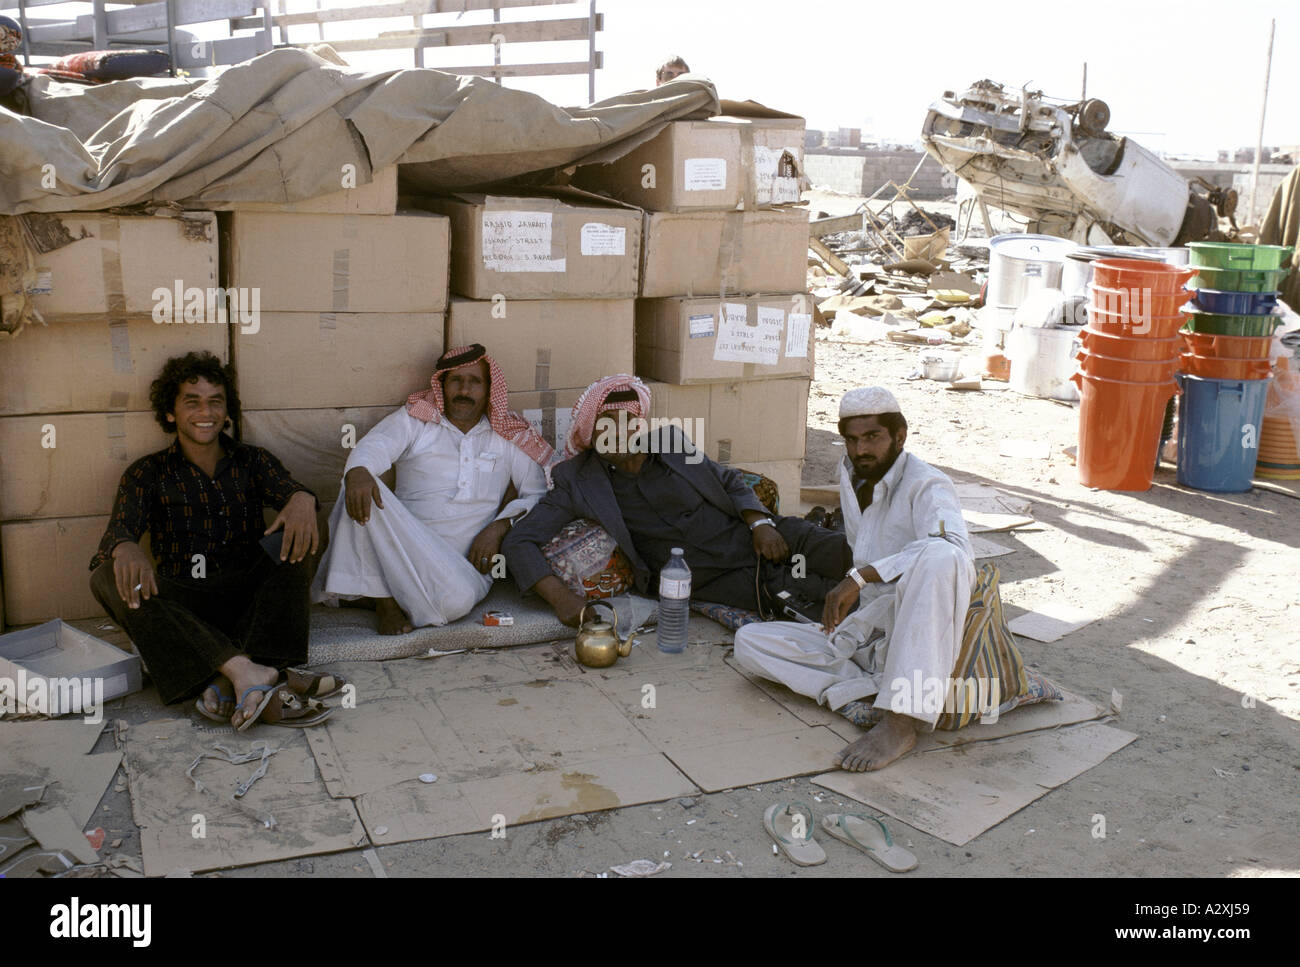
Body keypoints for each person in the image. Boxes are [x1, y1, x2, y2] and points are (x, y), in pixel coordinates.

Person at [733, 387, 976, 773]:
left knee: (941, 554)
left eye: (872, 438)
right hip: (870, 627)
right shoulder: (850, 475)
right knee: (749, 642)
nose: (861, 449)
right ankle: (871, 687)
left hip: (919, 626)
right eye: (852, 440)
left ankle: (900, 720)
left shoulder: (928, 484)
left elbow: (954, 548)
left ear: (900, 435)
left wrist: (860, 577)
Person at [89, 351, 325, 730]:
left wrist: (301, 498)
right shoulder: (146, 472)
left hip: (252, 598)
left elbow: (291, 493)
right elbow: (118, 531)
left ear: (227, 411)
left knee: (310, 522)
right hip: (186, 604)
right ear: (170, 413)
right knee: (105, 575)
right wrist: (125, 546)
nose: (206, 411)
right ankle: (246, 669)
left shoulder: (253, 461)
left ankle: (223, 673)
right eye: (192, 401)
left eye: (216, 401)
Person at [502, 374, 851, 627]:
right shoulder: (577, 480)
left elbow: (728, 480)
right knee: (809, 595)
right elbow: (520, 541)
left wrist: (759, 523)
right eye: (606, 427)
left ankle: (901, 580)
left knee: (842, 552)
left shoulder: (672, 442)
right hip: (704, 576)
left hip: (748, 536)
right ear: (590, 434)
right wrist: (561, 598)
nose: (619, 435)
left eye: (627, 423)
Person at [311, 344, 552, 634]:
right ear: (441, 385)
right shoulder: (417, 421)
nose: (464, 390)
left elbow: (537, 492)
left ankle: (371, 591)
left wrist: (500, 527)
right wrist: (359, 470)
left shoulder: (507, 436)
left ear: (489, 390)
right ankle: (385, 602)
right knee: (359, 483)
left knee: (457, 601)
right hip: (403, 543)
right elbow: (376, 444)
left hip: (461, 565)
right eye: (456, 381)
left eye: (475, 382)